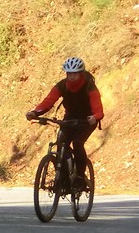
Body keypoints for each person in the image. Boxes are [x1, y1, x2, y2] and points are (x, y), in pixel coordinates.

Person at [25, 56, 104, 185]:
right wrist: (35, 112)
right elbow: (49, 101)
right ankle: (62, 177)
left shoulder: (89, 86)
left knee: (77, 143)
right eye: (69, 73)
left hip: (87, 119)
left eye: (75, 74)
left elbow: (98, 108)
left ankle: (79, 177)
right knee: (61, 143)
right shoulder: (62, 85)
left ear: (81, 73)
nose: (71, 77)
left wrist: (95, 117)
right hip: (70, 118)